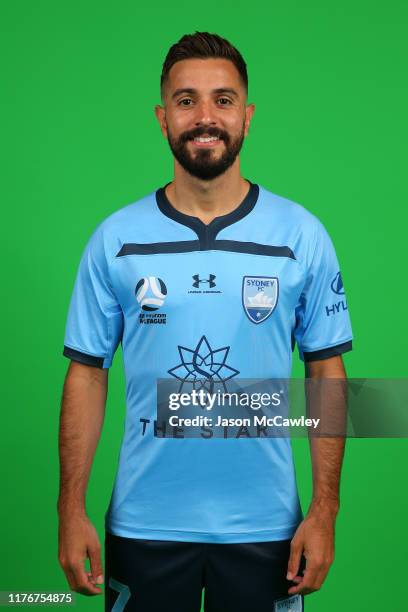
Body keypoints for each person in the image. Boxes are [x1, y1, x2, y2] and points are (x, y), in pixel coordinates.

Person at [57, 31, 353, 612]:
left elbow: (326, 373)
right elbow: (87, 375)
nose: (205, 116)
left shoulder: (300, 236)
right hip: (144, 527)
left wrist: (324, 512)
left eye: (222, 99)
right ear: (162, 115)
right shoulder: (116, 239)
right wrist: (70, 510)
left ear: (247, 114)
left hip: (267, 531)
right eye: (187, 99)